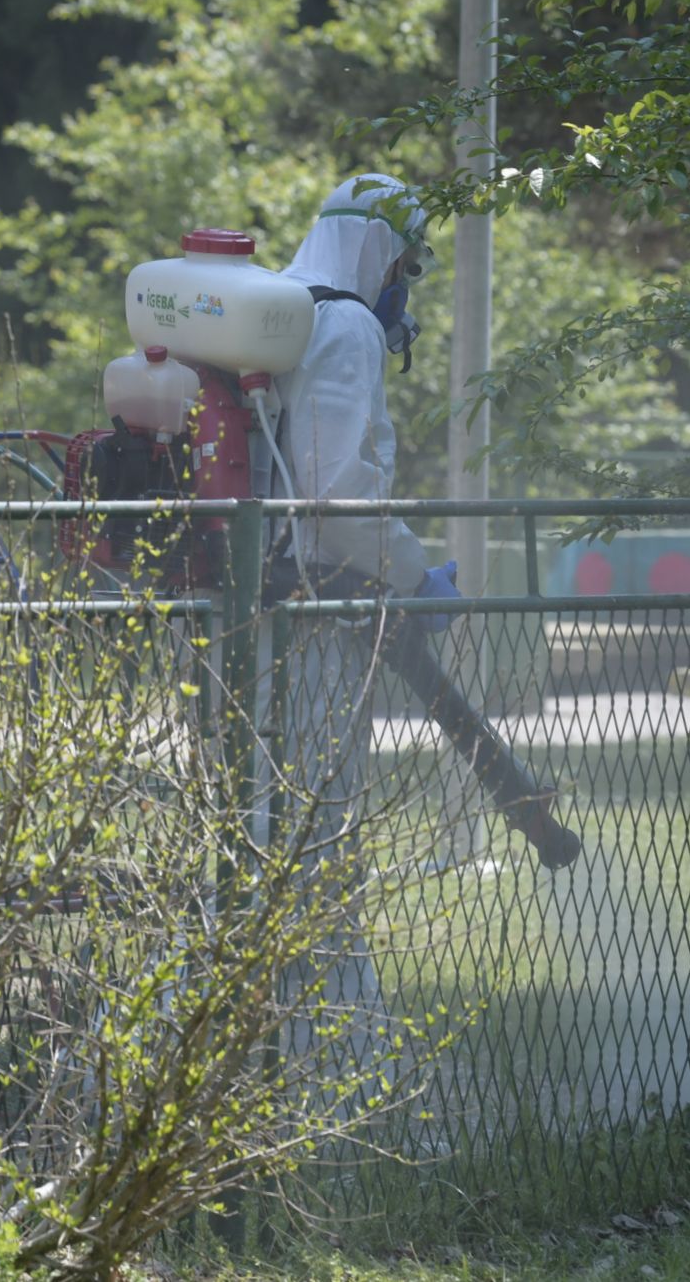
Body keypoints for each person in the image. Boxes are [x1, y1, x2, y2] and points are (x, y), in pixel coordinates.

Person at [262, 173, 459, 1107]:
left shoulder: (280, 306)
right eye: (409, 266)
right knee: (318, 840)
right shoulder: (340, 327)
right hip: (313, 622)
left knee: (255, 838)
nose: (405, 289)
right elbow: (338, 502)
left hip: (250, 621)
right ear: (382, 250)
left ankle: (244, 1066)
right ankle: (338, 1077)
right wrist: (418, 574)